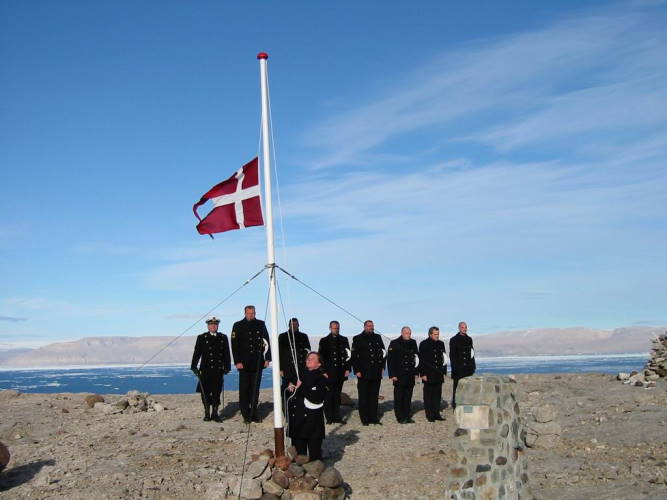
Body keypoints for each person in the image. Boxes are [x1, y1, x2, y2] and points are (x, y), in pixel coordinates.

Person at [231, 305, 271, 423]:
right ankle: (246, 415)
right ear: (245, 313)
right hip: (243, 363)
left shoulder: (261, 324)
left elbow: (266, 341)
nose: (251, 315)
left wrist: (267, 358)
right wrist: (237, 361)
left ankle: (254, 413)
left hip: (257, 362)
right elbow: (234, 345)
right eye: (249, 313)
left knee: (255, 389)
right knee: (244, 390)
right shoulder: (237, 325)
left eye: (253, 313)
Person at [287, 352, 328, 460]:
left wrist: (300, 387)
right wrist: (290, 385)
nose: (308, 360)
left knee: (315, 453)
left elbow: (317, 398)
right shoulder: (299, 374)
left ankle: (316, 472)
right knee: (299, 454)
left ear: (319, 364)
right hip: (298, 420)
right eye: (308, 358)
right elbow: (289, 393)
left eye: (312, 358)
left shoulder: (322, 378)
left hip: (313, 421)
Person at [191, 316, 231, 422]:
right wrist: (194, 366)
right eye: (211, 325)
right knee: (205, 393)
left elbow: (227, 353)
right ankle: (207, 413)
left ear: (217, 326)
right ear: (208, 326)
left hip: (218, 370)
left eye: (215, 325)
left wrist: (227, 367)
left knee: (216, 392)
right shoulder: (202, 337)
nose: (213, 326)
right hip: (205, 370)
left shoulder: (223, 337)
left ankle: (215, 414)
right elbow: (197, 353)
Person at [351, 320, 386, 426]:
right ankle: (365, 419)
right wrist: (357, 370)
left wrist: (383, 367)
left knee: (374, 396)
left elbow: (383, 353)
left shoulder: (378, 337)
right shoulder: (357, 338)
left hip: (376, 372)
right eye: (369, 326)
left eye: (372, 326)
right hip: (363, 372)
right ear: (364, 326)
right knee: (364, 396)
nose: (371, 328)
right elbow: (354, 356)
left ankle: (374, 418)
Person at [318, 320, 351, 424]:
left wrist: (347, 369)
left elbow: (348, 355)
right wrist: (323, 371)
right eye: (334, 328)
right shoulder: (324, 340)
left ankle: (337, 416)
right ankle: (329, 418)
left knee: (337, 395)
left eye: (337, 328)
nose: (336, 330)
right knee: (328, 396)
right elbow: (321, 357)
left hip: (340, 372)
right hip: (328, 373)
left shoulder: (344, 339)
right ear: (330, 328)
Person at [387, 326, 419, 424]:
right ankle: (400, 417)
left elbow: (416, 358)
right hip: (399, 375)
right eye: (406, 333)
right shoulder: (394, 343)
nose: (408, 335)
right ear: (402, 333)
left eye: (409, 333)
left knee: (408, 397)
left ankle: (406, 415)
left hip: (410, 374)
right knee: (399, 397)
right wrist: (392, 374)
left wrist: (416, 372)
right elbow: (390, 360)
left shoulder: (413, 342)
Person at [419, 326, 447, 422]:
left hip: (438, 374)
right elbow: (421, 361)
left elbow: (444, 358)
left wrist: (444, 371)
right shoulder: (423, 344)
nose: (437, 336)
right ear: (430, 334)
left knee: (437, 395)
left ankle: (436, 414)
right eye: (435, 334)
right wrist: (422, 374)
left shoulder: (441, 344)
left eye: (438, 334)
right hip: (428, 374)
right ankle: (429, 415)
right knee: (428, 396)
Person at [278, 318, 311, 399]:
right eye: (292, 324)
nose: (294, 326)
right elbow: (279, 353)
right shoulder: (283, 336)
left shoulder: (304, 336)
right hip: (287, 368)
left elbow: (308, 351)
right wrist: (280, 368)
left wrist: (308, 366)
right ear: (289, 325)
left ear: (298, 325)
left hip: (301, 367)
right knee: (287, 389)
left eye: (296, 324)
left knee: (301, 389)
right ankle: (286, 409)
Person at [449, 321, 476, 410]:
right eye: (462, 327)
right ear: (459, 328)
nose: (464, 329)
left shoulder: (469, 339)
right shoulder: (453, 339)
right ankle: (456, 407)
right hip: (458, 369)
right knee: (457, 389)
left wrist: (473, 366)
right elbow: (452, 355)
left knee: (468, 389)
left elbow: (472, 353)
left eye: (465, 327)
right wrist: (455, 368)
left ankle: (467, 407)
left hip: (468, 368)